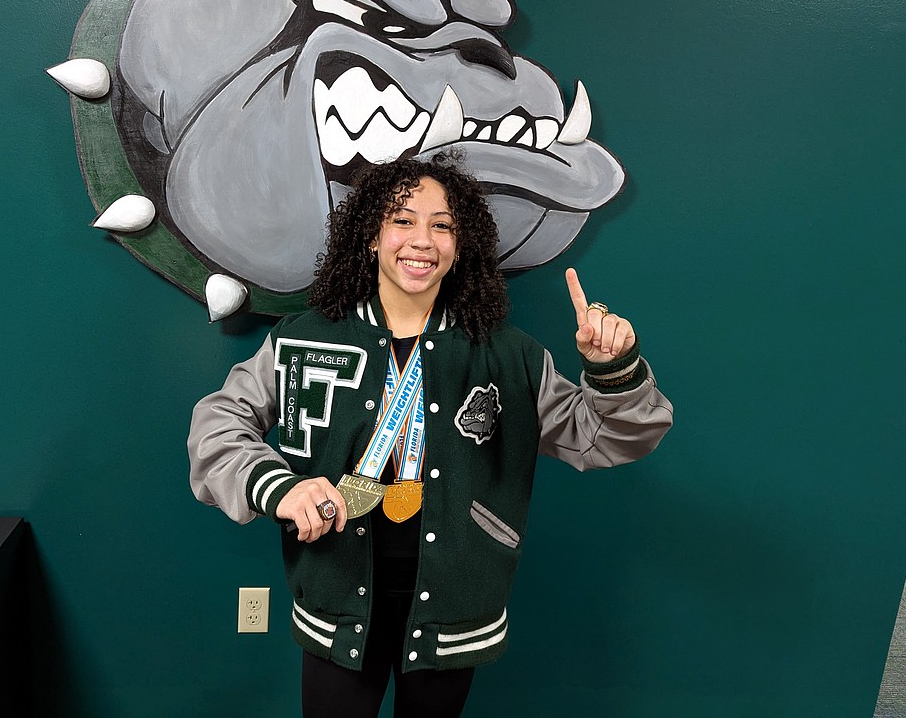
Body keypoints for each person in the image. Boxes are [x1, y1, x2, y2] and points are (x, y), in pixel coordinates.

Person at [187, 150, 673, 718]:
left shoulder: (510, 357)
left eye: (442, 226)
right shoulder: (303, 339)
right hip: (335, 599)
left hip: (454, 611)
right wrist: (280, 487)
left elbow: (602, 436)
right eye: (402, 220)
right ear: (370, 235)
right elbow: (218, 423)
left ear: (459, 247)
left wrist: (612, 369)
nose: (423, 240)